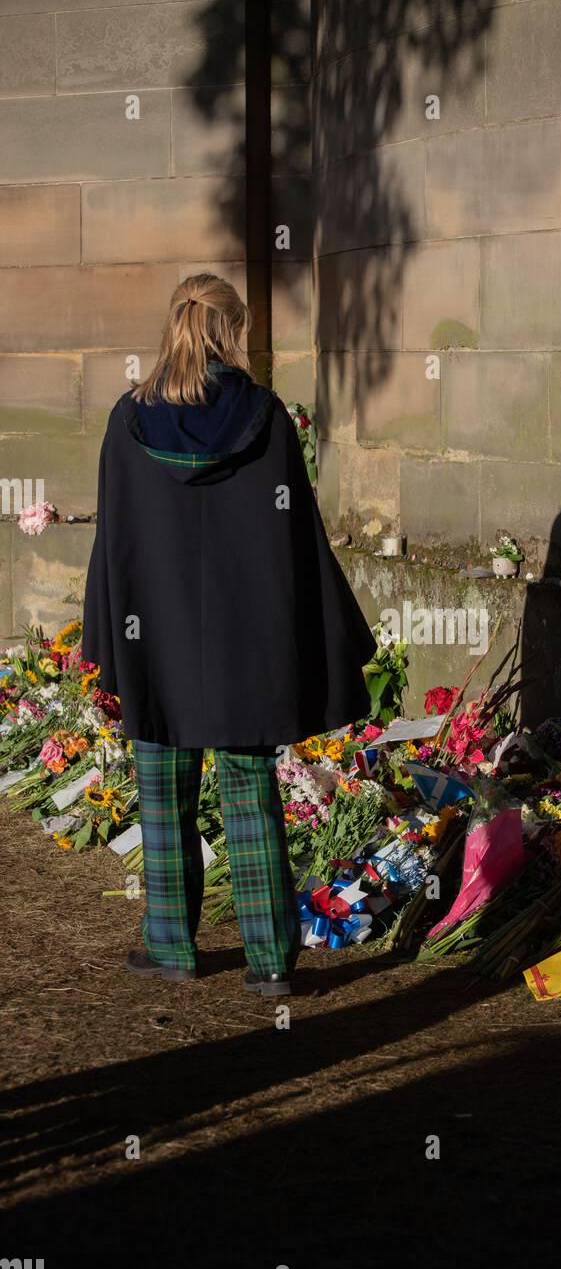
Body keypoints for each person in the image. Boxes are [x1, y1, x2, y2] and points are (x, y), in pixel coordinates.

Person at [81, 274, 376, 996]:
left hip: (157, 643)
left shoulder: (128, 420)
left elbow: (114, 542)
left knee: (162, 792)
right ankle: (271, 961)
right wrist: (316, 633)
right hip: (246, 648)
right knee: (250, 795)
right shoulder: (266, 417)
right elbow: (295, 539)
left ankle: (171, 948)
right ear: (230, 330)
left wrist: (108, 636)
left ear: (176, 323)